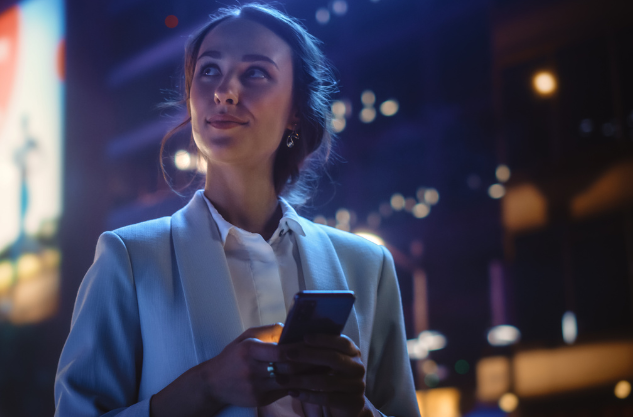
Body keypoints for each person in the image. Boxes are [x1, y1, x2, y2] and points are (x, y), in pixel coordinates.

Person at [54, 4, 420, 417]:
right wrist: (206, 387)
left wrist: (356, 411)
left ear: (295, 112)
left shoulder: (368, 266)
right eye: (209, 70)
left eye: (256, 73)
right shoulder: (130, 259)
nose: (224, 91)